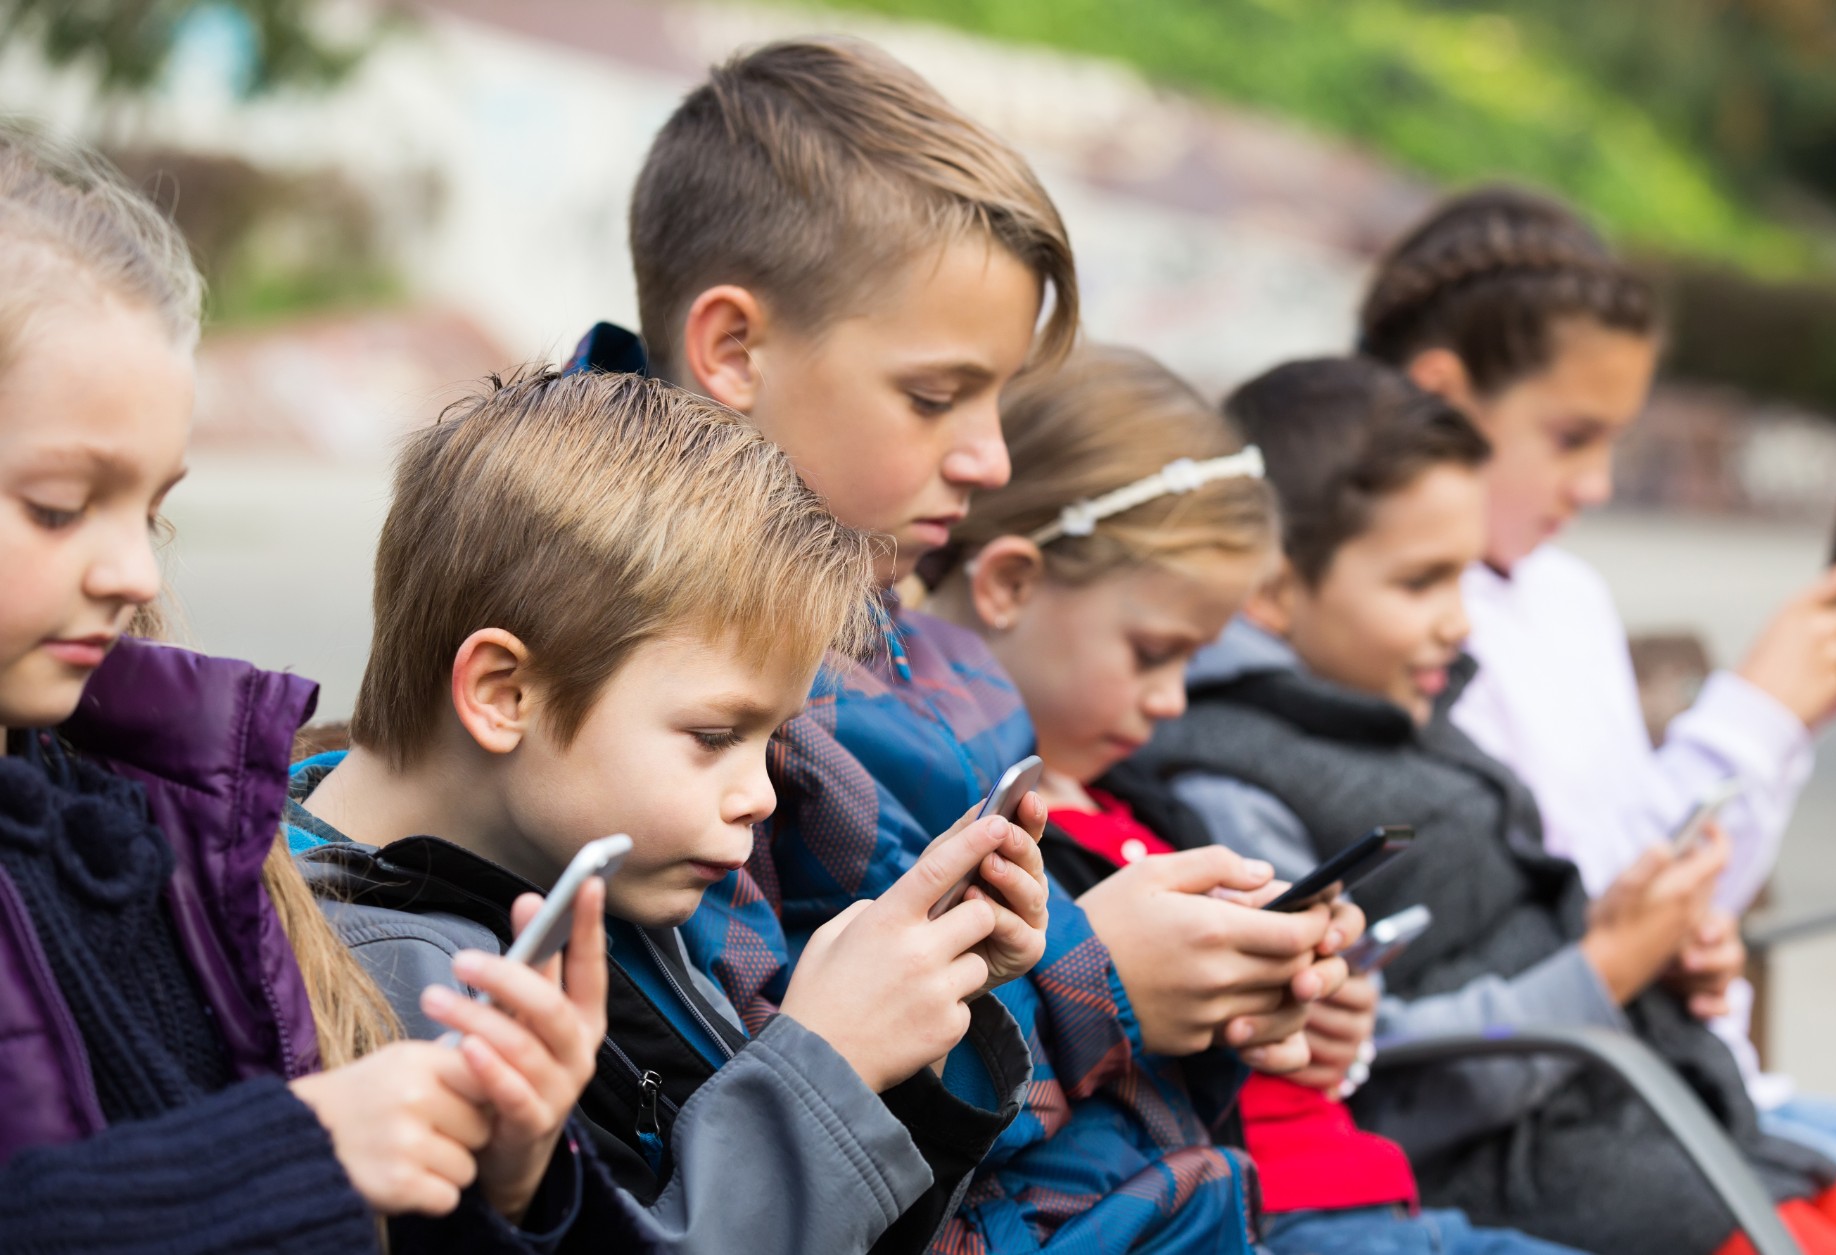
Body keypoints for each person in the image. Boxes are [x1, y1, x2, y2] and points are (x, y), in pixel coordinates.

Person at [585, 37, 1352, 1252]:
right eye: (937, 397)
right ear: (732, 350)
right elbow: (759, 1127)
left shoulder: (904, 633)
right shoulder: (649, 677)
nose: (990, 460)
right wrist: (1103, 987)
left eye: (999, 401)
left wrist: (1222, 983)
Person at [0, 121, 642, 1251]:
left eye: (151, 509)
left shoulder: (143, 813)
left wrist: (500, 1176)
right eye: (58, 506)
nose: (135, 572)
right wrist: (285, 1159)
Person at [1141, 355, 1836, 1255]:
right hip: (1563, 1187)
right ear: (1273, 589)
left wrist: (1648, 954)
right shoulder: (1230, 780)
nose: (1461, 620)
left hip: (1673, 1136)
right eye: (1421, 582)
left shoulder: (1399, 706)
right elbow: (1362, 1079)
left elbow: (1509, 925)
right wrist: (1609, 966)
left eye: (1466, 579)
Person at [286, 368, 1043, 1255]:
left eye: (769, 741)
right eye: (715, 733)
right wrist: (825, 1066)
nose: (758, 793)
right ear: (503, 693)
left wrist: (905, 1048)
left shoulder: (585, 875)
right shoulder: (398, 996)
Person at [921, 342, 1588, 1255]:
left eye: (1191, 659)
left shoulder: (1148, 805)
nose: (1173, 699)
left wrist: (1302, 1011)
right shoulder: (968, 827)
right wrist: (1116, 979)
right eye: (1154, 652)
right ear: (1008, 583)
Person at [1356, 184, 1836, 1197]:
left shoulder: (1565, 594)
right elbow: (1584, 914)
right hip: (1612, 1121)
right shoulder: (1409, 630)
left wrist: (1786, 724)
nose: (1599, 483)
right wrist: (1756, 713)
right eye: (1572, 437)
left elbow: (1670, 889)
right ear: (1441, 396)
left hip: (1704, 1089)